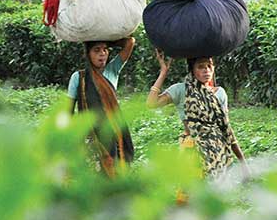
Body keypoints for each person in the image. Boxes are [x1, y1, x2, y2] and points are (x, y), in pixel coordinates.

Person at [147, 50, 246, 179]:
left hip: (217, 150)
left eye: (209, 66)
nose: (207, 70)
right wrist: (163, 72)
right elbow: (152, 103)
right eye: (201, 67)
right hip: (192, 149)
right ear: (192, 70)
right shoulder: (181, 90)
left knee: (214, 194)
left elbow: (226, 129)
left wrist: (243, 162)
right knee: (191, 194)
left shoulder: (220, 93)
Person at [68, 37, 136, 177]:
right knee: (92, 175)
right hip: (89, 135)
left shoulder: (113, 70)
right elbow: (68, 111)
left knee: (114, 173)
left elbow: (130, 42)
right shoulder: (78, 77)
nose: (102, 54)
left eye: (105, 50)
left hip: (111, 134)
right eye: (96, 50)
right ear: (88, 54)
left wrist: (106, 40)